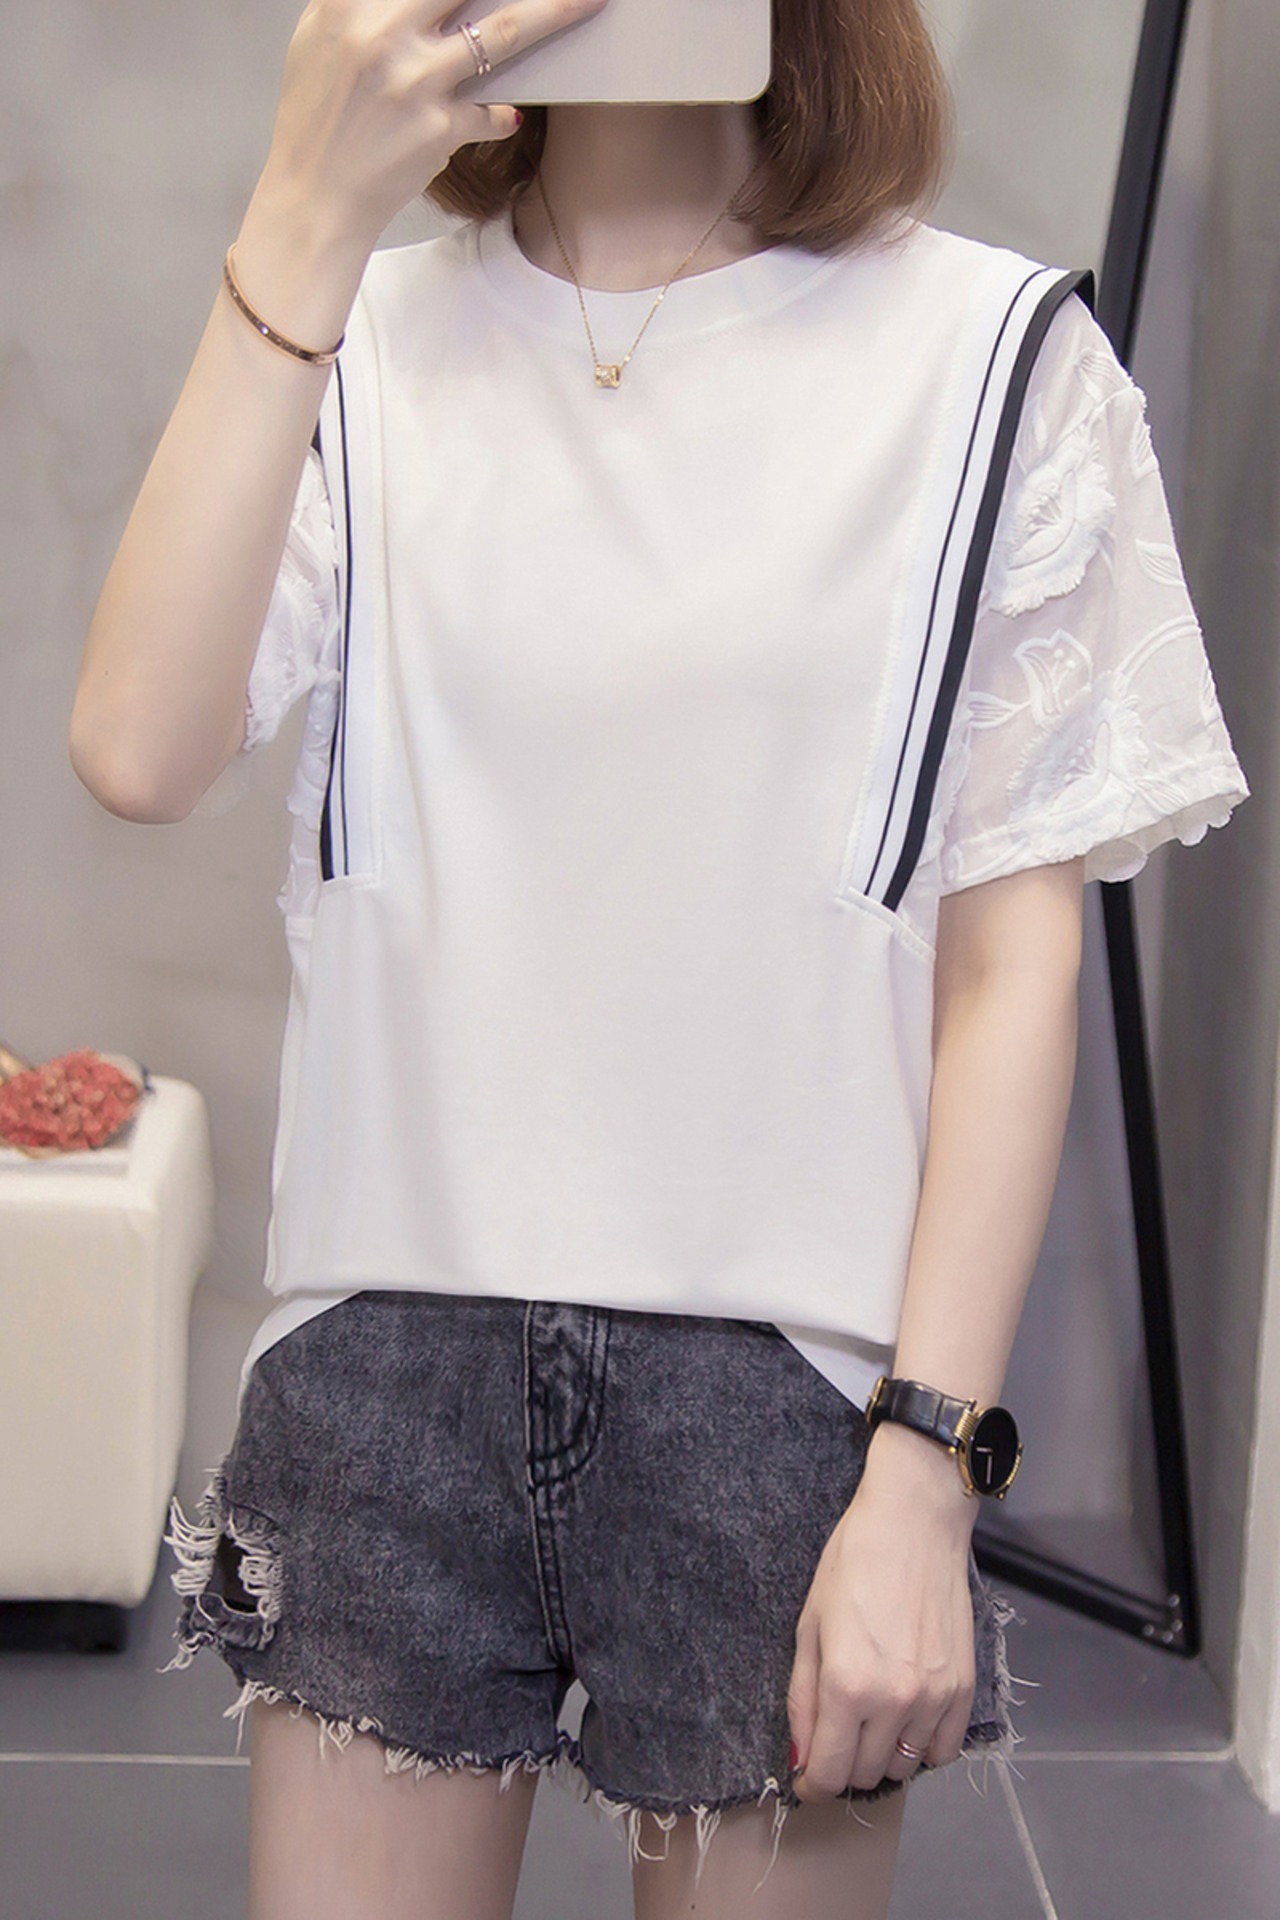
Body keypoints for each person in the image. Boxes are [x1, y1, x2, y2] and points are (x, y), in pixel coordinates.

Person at [70, 1, 1251, 1915]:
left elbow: (1010, 976)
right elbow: (136, 746)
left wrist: (927, 1473)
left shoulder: (994, 358)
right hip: (388, 1357)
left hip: (788, 1402)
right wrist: (300, 205)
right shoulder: (348, 336)